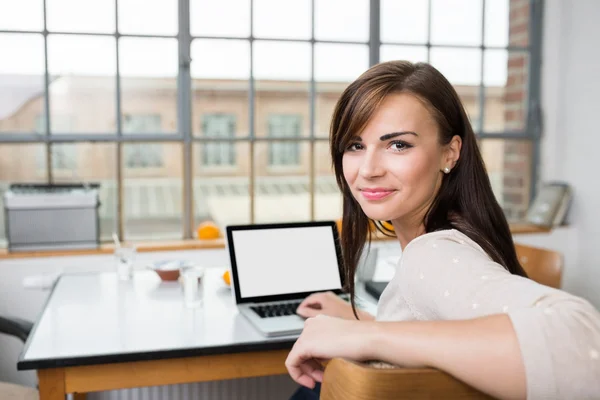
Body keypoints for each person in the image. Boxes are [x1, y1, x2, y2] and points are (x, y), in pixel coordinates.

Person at [286, 60, 600, 399]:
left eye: (398, 145)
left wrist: (366, 337)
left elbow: (582, 344)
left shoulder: (432, 254)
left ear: (449, 153)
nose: (368, 169)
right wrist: (364, 321)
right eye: (355, 145)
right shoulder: (448, 236)